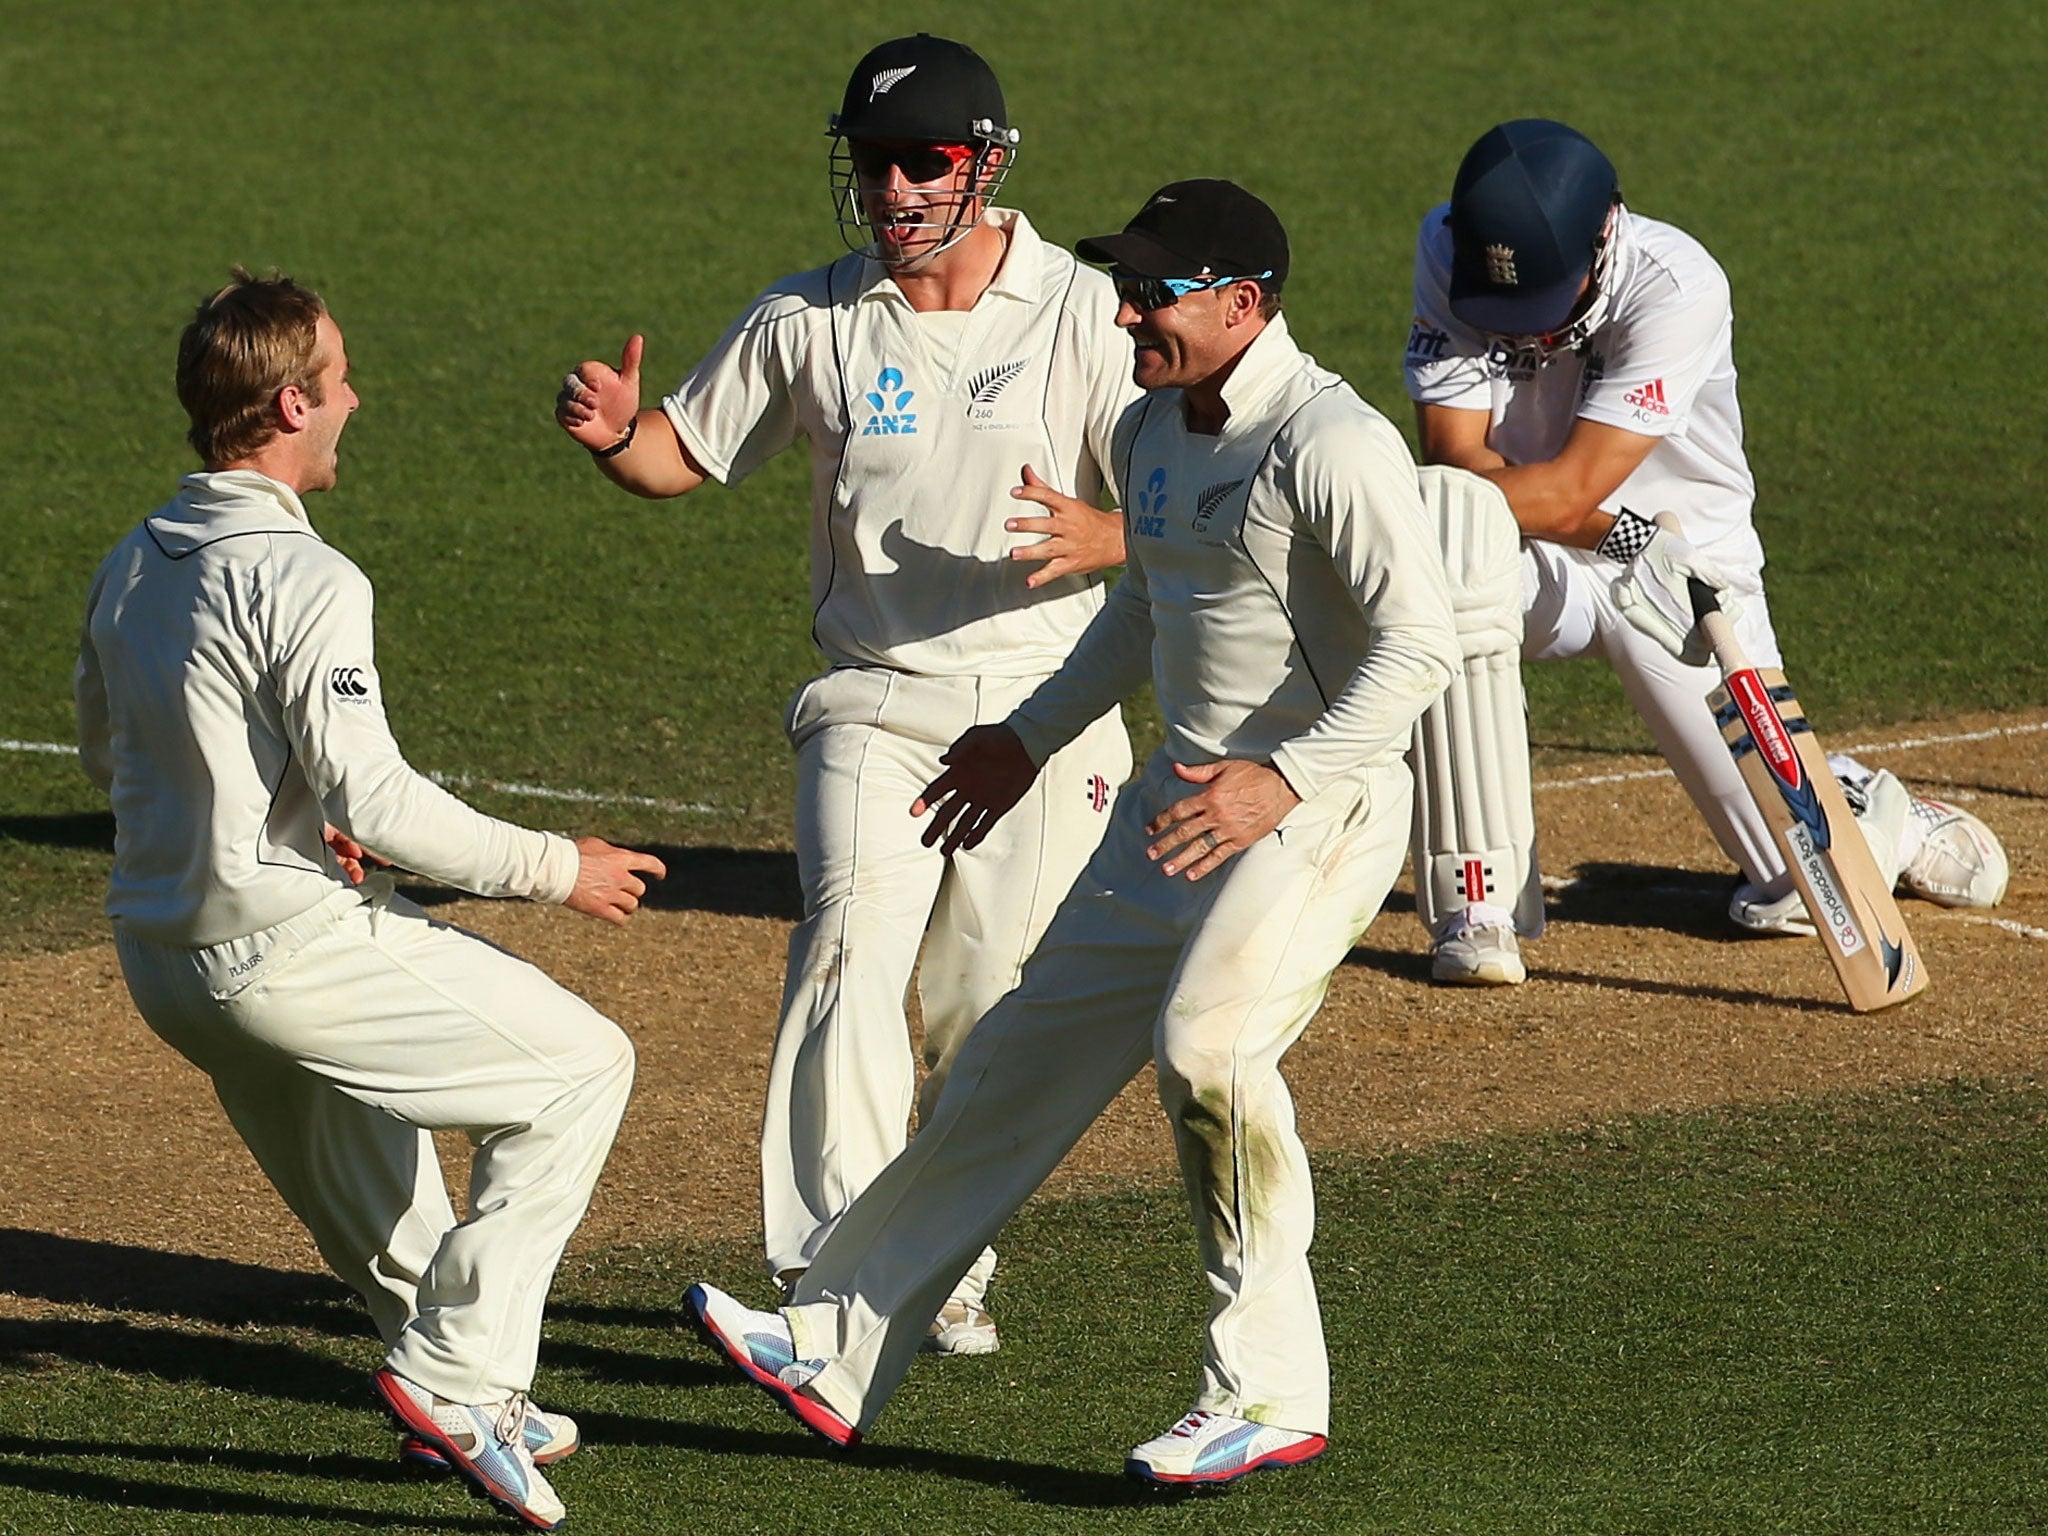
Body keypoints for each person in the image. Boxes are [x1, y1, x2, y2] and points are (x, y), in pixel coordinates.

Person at [682, 180, 1460, 1486]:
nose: (1126, 313)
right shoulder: (1152, 427)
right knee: (1013, 1061)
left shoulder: (1329, 441)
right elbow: (1142, 612)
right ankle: (835, 1338)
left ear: (1243, 303)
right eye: (1125, 287)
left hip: (1317, 813)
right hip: (1178, 811)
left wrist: (1283, 779)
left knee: (1207, 1054)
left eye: (1155, 293)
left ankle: (1266, 1393)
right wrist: (1026, 738)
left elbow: (1418, 645)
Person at [555, 33, 1136, 1352]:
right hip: (876, 698)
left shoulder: (1084, 313)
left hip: (1048, 706)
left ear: (984, 165)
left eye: (919, 162)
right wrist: (617, 435)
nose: (891, 189)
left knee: (989, 998)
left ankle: (941, 1260)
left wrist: (1108, 535)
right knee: (846, 953)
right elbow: (676, 456)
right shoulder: (808, 318)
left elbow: (1181, 500)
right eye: (871, 162)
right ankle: (832, 1278)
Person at [75, 270, 666, 1532]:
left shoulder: (130, 563)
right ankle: (454, 1380)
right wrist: (556, 867)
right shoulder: (306, 575)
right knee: (579, 1070)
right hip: (277, 948)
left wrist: (279, 803)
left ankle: (465, 1389)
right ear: (292, 404)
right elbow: (382, 802)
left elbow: (108, 758)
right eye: (338, 380)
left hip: (165, 967)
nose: (355, 399)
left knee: (381, 1174)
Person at [1401, 118, 2006, 986]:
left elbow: (1570, 486)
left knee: (1788, 881)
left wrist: (1616, 535)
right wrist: (1610, 534)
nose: (1527, 330)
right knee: (1447, 561)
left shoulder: (1678, 286)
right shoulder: (1451, 248)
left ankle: (1875, 808)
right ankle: (1478, 908)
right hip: (1548, 541)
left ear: (1604, 236)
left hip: (1685, 563)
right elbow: (1458, 464)